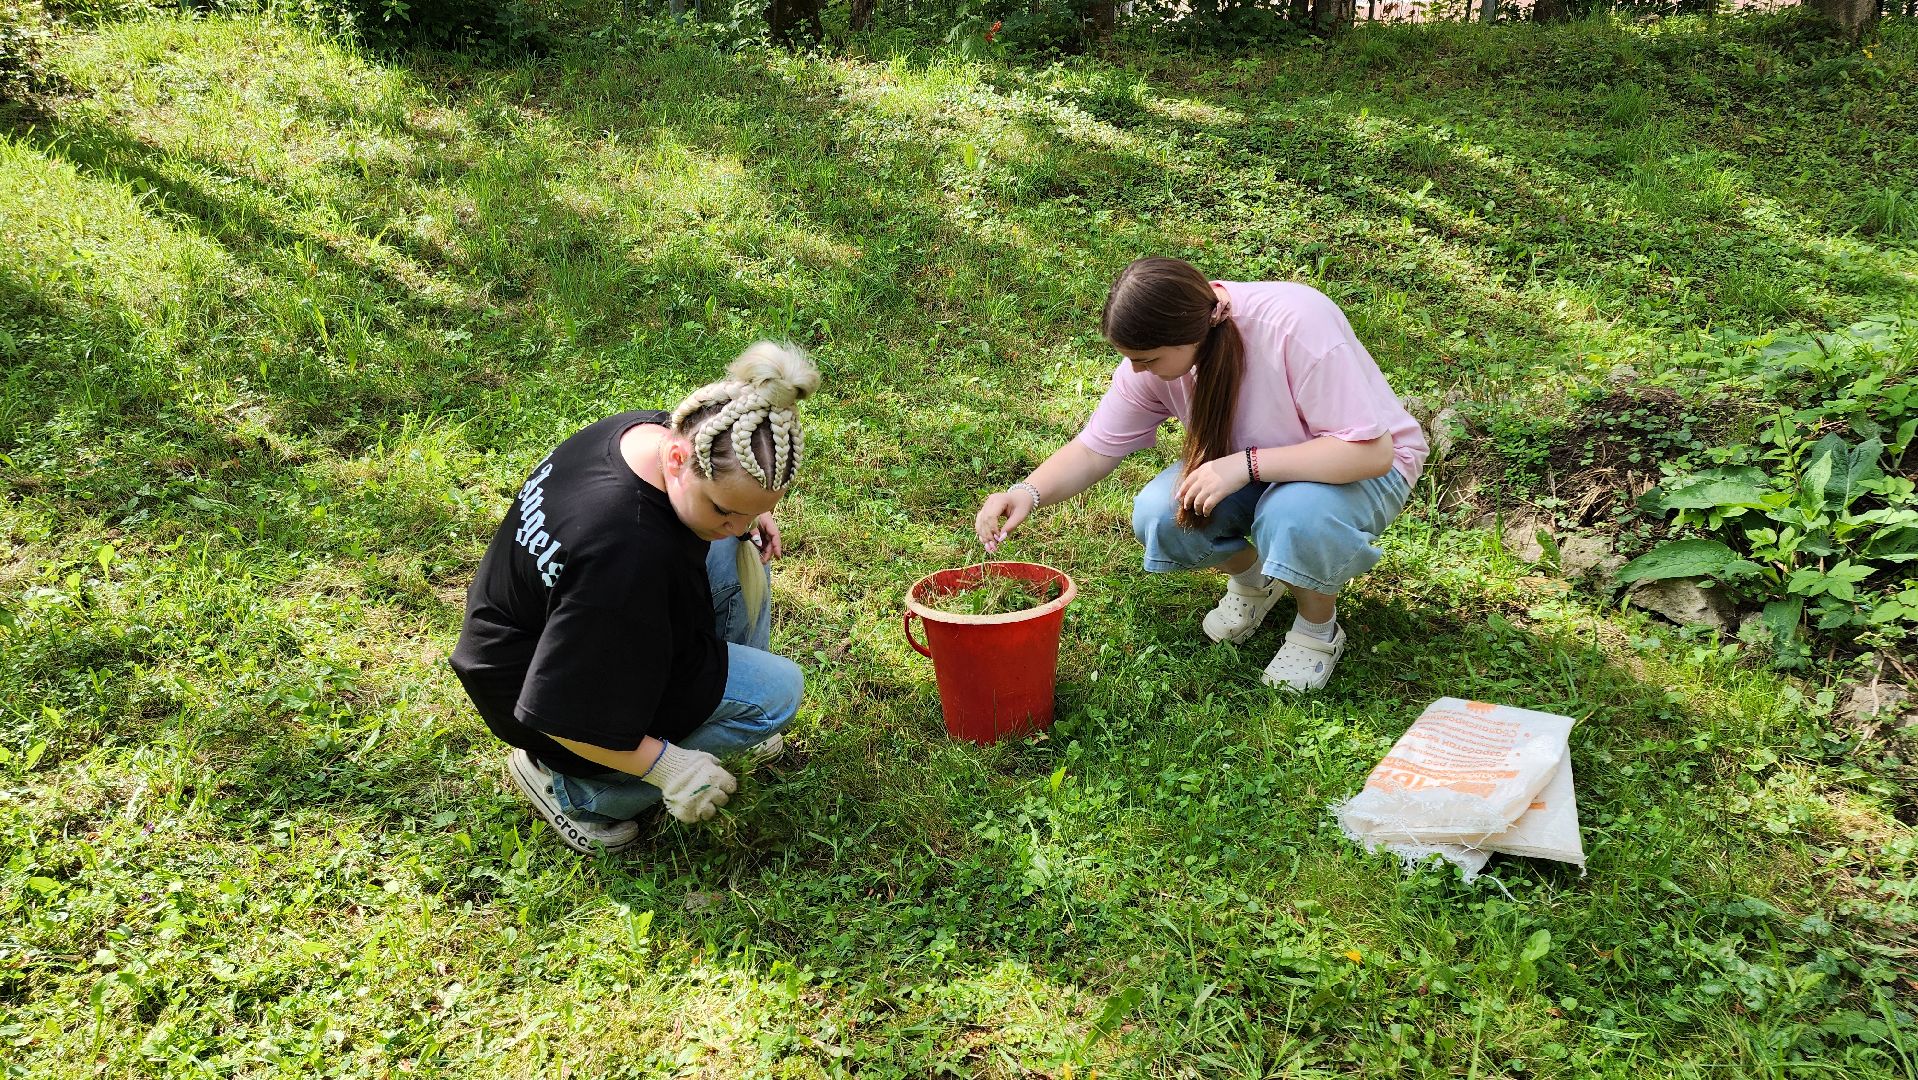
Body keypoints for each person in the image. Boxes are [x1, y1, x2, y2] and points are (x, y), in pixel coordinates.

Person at [973, 258, 1427, 691]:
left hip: (1359, 469)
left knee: (1293, 514)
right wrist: (1026, 492)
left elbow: (1370, 452)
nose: (1136, 370)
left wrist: (1244, 465)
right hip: (1254, 468)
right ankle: (1256, 584)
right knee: (1160, 511)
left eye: (1146, 359)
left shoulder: (1294, 325)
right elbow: (1094, 450)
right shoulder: (1158, 362)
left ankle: (1316, 628)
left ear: (1189, 335)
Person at [451, 342, 819, 854]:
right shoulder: (625, 559)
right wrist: (667, 767)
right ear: (678, 457)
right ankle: (580, 790)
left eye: (752, 507)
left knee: (734, 548)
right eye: (724, 509)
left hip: (565, 630)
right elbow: (558, 702)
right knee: (776, 695)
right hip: (540, 702)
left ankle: (700, 713)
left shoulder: (650, 435)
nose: (738, 524)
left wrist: (744, 512)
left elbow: (721, 509)